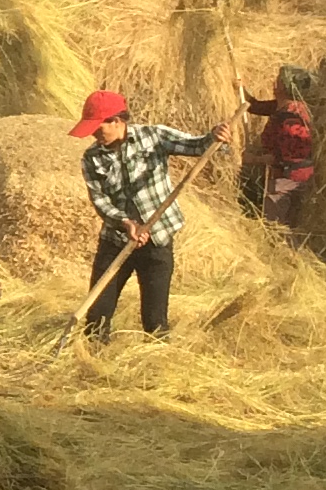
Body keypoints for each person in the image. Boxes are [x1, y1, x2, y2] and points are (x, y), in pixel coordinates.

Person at [70, 91, 227, 340]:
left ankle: (156, 357)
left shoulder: (153, 137)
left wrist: (215, 137)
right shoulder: (92, 158)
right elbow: (99, 200)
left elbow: (197, 145)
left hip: (157, 240)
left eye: (98, 127)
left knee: (155, 320)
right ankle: (93, 355)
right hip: (116, 241)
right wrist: (125, 223)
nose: (94, 134)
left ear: (116, 121)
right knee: (97, 315)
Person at [241, 66, 318, 227]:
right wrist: (241, 88)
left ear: (283, 86)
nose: (274, 83)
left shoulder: (291, 119)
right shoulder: (283, 107)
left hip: (288, 181)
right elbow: (254, 106)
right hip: (289, 177)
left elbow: (286, 158)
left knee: (275, 228)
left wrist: (252, 159)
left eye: (278, 80)